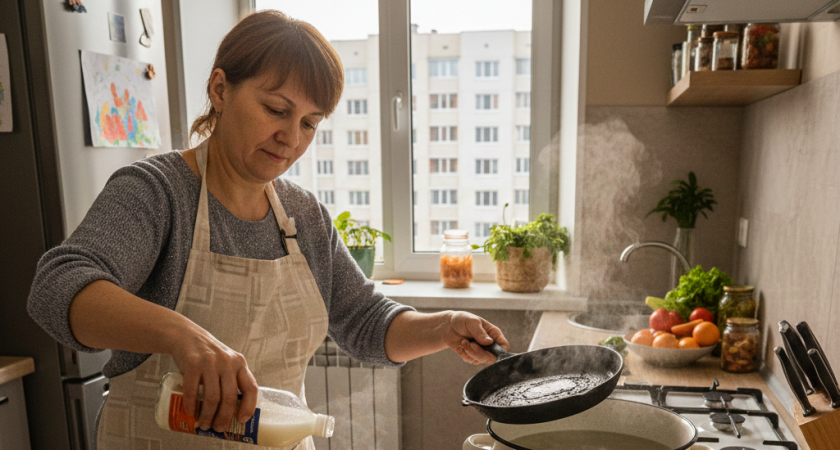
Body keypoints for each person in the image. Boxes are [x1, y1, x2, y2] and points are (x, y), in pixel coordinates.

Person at [27, 10, 508, 450]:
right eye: (276, 110)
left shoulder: (305, 217)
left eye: (309, 123)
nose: (292, 138)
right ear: (220, 90)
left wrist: (444, 326)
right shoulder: (157, 193)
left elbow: (366, 323)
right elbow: (57, 287)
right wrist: (182, 335)